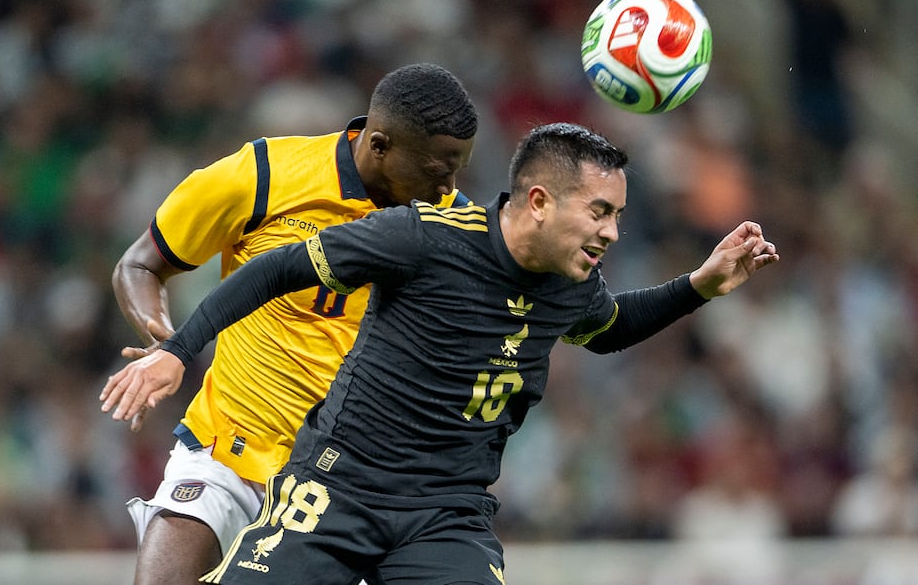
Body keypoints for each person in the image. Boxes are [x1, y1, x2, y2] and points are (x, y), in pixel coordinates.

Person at [101, 122, 779, 583]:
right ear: (539, 201)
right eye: (600, 212)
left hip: (447, 515)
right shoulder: (422, 237)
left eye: (619, 216)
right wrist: (180, 349)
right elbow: (277, 268)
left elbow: (612, 328)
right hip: (336, 493)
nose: (612, 233)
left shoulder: (571, 283)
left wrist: (700, 284)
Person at [105, 63, 478, 584]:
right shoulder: (266, 174)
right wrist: (167, 341)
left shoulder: (452, 226)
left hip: (349, 484)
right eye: (436, 170)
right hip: (229, 452)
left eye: (457, 170)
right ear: (379, 146)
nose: (448, 189)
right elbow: (141, 264)